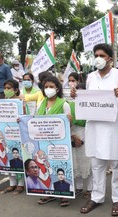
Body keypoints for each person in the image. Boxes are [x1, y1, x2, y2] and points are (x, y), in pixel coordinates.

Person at [72, 43, 118, 216]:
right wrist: (76, 96)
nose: (98, 58)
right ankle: (97, 197)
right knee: (97, 164)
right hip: (95, 127)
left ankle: (117, 199)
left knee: (116, 164)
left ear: (110, 58)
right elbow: (86, 99)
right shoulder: (91, 77)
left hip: (114, 126)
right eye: (96, 55)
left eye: (102, 55)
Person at [36, 76, 71, 205]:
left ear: (57, 89)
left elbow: (69, 125)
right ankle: (48, 192)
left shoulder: (64, 104)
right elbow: (35, 120)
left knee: (60, 167)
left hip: (59, 143)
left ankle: (64, 195)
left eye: (51, 87)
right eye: (46, 87)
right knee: (46, 168)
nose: (48, 89)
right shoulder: (41, 104)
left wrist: (69, 120)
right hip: (43, 142)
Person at [68, 72, 92, 198]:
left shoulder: (91, 107)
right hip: (74, 134)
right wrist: (73, 136)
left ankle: (90, 188)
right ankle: (78, 187)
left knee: (89, 163)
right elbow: (68, 123)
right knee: (76, 161)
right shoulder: (69, 105)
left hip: (88, 135)